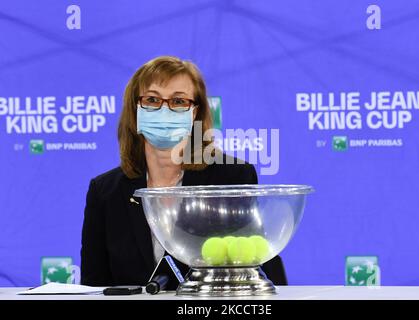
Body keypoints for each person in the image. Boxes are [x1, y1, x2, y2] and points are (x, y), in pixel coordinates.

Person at [80, 56, 287, 287]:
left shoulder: (233, 176)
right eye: (152, 99)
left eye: (178, 101)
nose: (165, 110)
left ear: (195, 112)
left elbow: (256, 266)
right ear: (135, 110)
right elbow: (94, 285)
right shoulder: (105, 191)